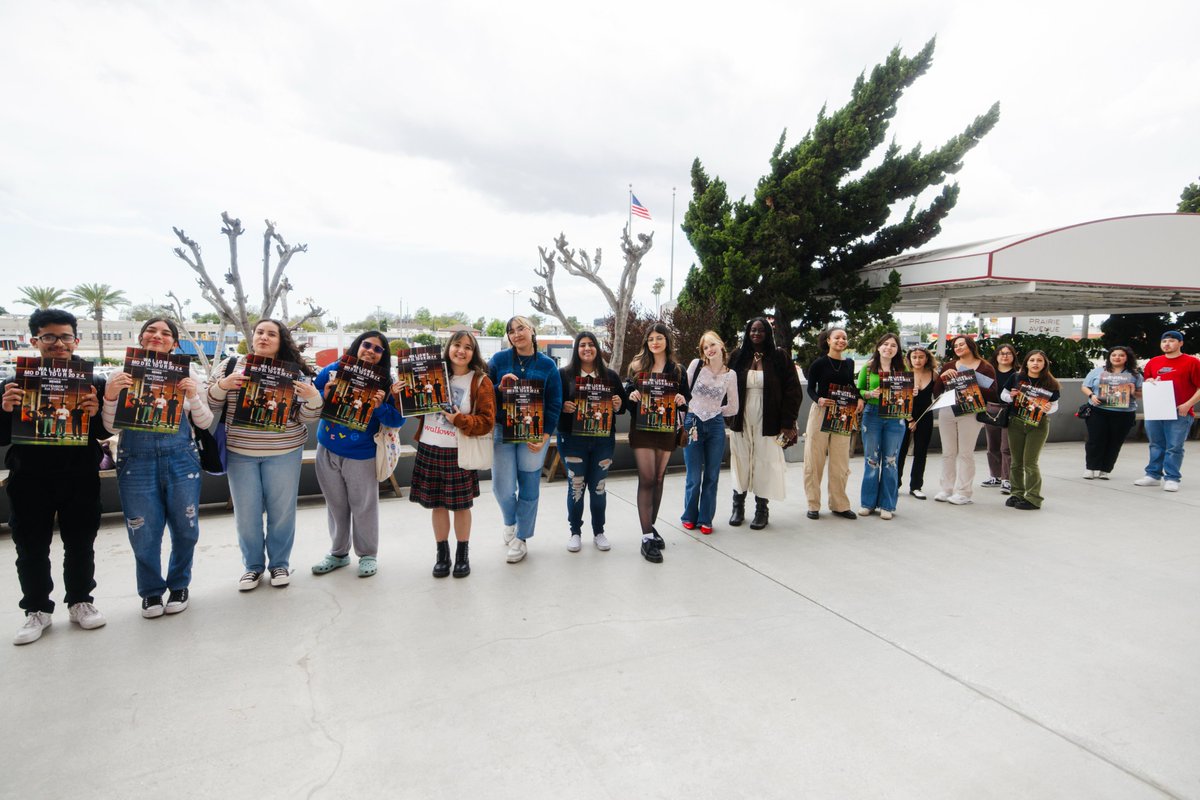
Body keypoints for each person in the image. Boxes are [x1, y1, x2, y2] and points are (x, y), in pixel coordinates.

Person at [2, 309, 109, 644]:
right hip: (30, 476)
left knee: (81, 542)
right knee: (31, 546)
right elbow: (3, 436)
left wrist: (95, 416)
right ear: (35, 341)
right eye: (49, 337)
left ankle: (81, 601)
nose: (58, 343)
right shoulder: (12, 384)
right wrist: (5, 409)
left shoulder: (95, 382)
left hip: (79, 473)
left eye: (65, 336)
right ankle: (37, 609)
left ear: (76, 340)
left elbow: (106, 430)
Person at [102, 318, 213, 618]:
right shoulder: (119, 373)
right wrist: (111, 395)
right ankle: (151, 592)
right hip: (135, 460)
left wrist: (192, 396)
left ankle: (179, 585)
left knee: (186, 528)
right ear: (140, 337)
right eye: (151, 331)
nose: (157, 336)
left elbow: (204, 423)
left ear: (175, 343)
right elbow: (110, 427)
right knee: (143, 531)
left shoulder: (188, 373)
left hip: (181, 457)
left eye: (166, 333)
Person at [208, 319, 323, 590]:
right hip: (241, 453)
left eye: (271, 334)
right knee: (246, 514)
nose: (264, 337)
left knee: (282, 512)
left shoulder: (295, 373)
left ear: (281, 340)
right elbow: (210, 404)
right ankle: (253, 567)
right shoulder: (231, 366)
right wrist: (223, 386)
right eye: (260, 332)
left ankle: (280, 564)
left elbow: (306, 417)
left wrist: (313, 398)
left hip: (284, 451)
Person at [311, 331, 405, 579]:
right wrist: (324, 395)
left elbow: (397, 420)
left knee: (364, 506)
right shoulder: (334, 369)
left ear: (383, 356)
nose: (370, 351)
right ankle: (338, 553)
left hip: (362, 454)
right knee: (335, 505)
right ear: (357, 345)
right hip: (327, 448)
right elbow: (309, 399)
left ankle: (367, 554)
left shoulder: (387, 382)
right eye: (367, 345)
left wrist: (381, 406)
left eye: (378, 349)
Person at [410, 331, 495, 578]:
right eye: (457, 345)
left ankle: (462, 555)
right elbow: (414, 410)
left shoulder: (480, 381)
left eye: (468, 347)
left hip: (458, 453)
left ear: (473, 352)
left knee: (461, 506)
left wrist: (459, 419)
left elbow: (487, 422)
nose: (461, 351)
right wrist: (400, 392)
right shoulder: (432, 375)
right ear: (449, 348)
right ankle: (442, 555)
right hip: (429, 447)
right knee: (437, 505)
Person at [488, 316, 562, 564]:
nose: (516, 334)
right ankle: (510, 520)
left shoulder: (548, 365)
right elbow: (484, 395)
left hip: (534, 433)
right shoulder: (498, 361)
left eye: (521, 328)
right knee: (502, 487)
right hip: (503, 431)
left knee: (529, 487)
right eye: (511, 331)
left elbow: (554, 404)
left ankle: (522, 537)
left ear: (532, 331)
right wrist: (499, 388)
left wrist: (544, 437)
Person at [556, 331, 627, 552]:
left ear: (597, 348)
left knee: (598, 487)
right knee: (576, 486)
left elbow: (623, 407)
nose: (587, 348)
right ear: (576, 350)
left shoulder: (611, 376)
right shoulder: (563, 375)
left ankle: (599, 532)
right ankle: (575, 532)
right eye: (582, 345)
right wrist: (563, 407)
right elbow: (552, 406)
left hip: (602, 441)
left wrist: (616, 404)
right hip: (572, 441)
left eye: (591, 344)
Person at [625, 323, 690, 562]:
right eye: (651, 338)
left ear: (667, 341)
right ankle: (646, 538)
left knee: (660, 479)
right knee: (648, 479)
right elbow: (627, 401)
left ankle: (650, 527)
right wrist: (631, 396)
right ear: (646, 342)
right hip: (642, 429)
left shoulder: (678, 370)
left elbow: (685, 402)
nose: (655, 342)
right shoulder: (636, 367)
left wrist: (682, 400)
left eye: (659, 338)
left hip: (665, 429)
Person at [727, 318, 800, 529]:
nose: (756, 333)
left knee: (764, 461)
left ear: (768, 333)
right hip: (741, 417)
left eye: (760, 330)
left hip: (769, 419)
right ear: (747, 333)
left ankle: (762, 510)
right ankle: (737, 507)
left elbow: (793, 390)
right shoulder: (737, 357)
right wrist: (727, 414)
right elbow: (725, 385)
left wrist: (787, 422)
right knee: (740, 460)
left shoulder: (779, 357)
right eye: (752, 330)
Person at [680, 331, 739, 535]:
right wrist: (687, 417)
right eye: (705, 347)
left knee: (712, 475)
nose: (709, 350)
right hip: (693, 421)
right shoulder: (696, 365)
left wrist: (715, 411)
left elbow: (733, 407)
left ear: (721, 345)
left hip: (715, 426)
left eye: (712, 345)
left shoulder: (731, 374)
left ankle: (706, 519)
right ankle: (689, 516)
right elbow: (683, 395)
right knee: (694, 476)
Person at [802, 327, 861, 520]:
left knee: (840, 461)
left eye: (844, 337)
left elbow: (850, 385)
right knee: (814, 459)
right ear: (828, 340)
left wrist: (859, 398)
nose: (841, 340)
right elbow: (811, 389)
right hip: (821, 412)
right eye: (837, 337)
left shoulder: (849, 363)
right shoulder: (819, 363)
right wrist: (818, 399)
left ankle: (839, 504)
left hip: (843, 413)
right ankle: (813, 504)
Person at [932, 335, 998, 505]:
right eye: (955, 346)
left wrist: (972, 381)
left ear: (970, 345)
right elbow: (937, 392)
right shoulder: (949, 366)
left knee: (966, 453)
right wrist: (942, 376)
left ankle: (964, 492)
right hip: (948, 411)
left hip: (971, 412)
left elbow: (993, 393)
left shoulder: (985, 367)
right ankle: (946, 489)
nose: (958, 348)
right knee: (948, 452)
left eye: (962, 344)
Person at [1133, 331, 1200, 492]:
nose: (1167, 344)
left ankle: (1172, 478)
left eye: (1171, 341)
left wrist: (1187, 404)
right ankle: (1153, 475)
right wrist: (1149, 382)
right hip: (1156, 410)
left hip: (1180, 412)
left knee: (1174, 446)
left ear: (1180, 343)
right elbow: (1146, 385)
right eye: (1164, 341)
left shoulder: (1192, 362)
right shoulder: (1153, 362)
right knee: (1156, 444)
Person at [856, 332, 908, 520]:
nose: (889, 348)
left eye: (893, 345)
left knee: (890, 461)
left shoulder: (902, 369)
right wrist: (870, 394)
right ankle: (867, 503)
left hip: (895, 417)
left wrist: (913, 391)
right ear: (878, 347)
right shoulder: (868, 368)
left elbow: (907, 393)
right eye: (885, 344)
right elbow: (859, 390)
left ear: (897, 349)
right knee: (871, 460)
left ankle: (887, 504)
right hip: (872, 416)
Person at [1003, 350, 1061, 510]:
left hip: (1038, 424)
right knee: (1016, 462)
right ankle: (1017, 493)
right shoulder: (1016, 377)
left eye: (1039, 360)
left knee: (1030, 462)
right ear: (1026, 363)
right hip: (1016, 422)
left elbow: (1055, 405)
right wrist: (1011, 397)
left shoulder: (1051, 383)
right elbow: (1003, 395)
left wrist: (1048, 408)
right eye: (1032, 360)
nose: (1035, 363)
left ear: (1044, 364)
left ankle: (1034, 498)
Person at [1081, 346, 1143, 480]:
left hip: (1124, 413)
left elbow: (1141, 394)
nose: (1117, 357)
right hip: (1099, 410)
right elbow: (1085, 386)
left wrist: (1132, 391)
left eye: (1121, 355)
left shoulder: (1135, 375)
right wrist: (1092, 396)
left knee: (1115, 442)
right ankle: (1091, 468)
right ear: (1109, 357)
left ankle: (1105, 469)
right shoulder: (1098, 371)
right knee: (1095, 440)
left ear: (1127, 358)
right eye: (1114, 355)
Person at [897, 346, 938, 499]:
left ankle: (916, 486)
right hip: (905, 416)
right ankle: (896, 484)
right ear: (909, 359)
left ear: (927, 358)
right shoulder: (904, 375)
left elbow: (940, 394)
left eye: (921, 357)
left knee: (921, 452)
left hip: (925, 416)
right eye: (914, 357)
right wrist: (910, 419)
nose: (917, 360)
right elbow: (898, 400)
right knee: (900, 452)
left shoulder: (934, 375)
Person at [981, 343, 1019, 493]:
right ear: (996, 356)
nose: (1005, 356)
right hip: (991, 411)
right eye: (1001, 353)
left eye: (1008, 353)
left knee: (1006, 448)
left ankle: (1006, 479)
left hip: (1011, 412)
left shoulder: (1018, 374)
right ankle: (994, 476)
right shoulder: (989, 373)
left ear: (1013, 356)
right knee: (992, 446)